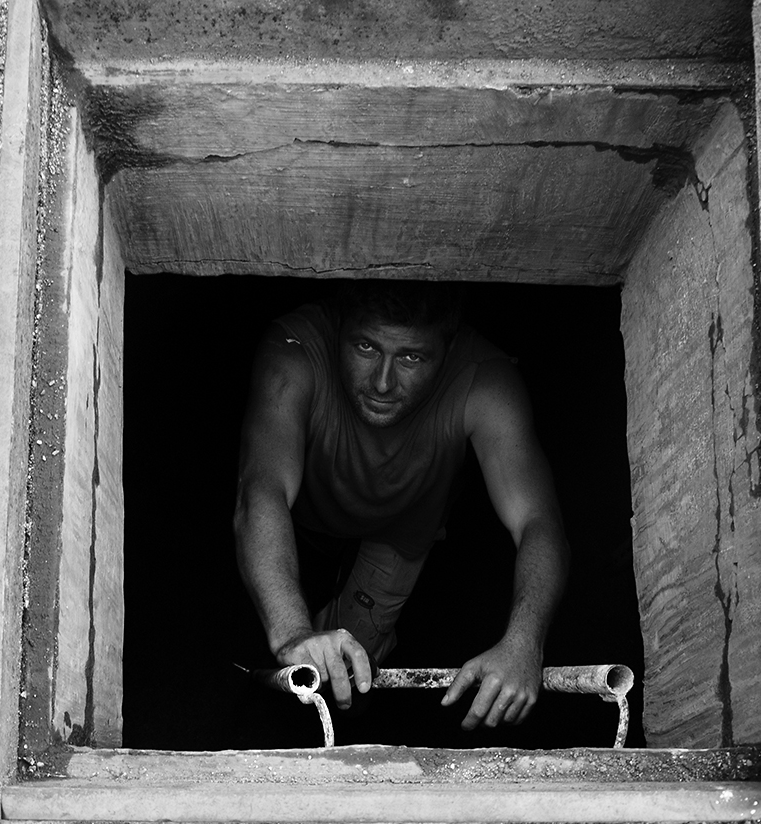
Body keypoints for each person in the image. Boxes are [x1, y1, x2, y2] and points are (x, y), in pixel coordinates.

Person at [233, 280, 569, 730]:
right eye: (366, 347)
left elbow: (537, 520)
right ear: (339, 328)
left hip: (399, 537)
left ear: (448, 348)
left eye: (411, 357)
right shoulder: (296, 349)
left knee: (346, 688)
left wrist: (525, 644)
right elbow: (261, 491)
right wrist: (293, 634)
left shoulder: (484, 379)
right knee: (281, 663)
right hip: (298, 525)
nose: (383, 382)